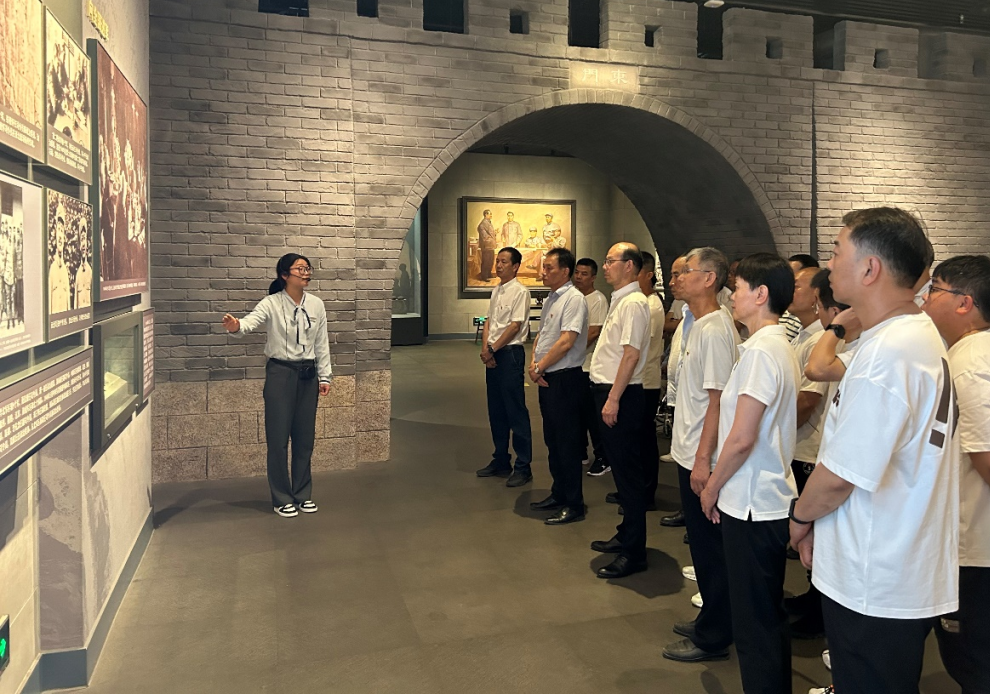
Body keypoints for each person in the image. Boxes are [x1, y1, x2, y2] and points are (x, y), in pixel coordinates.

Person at [789, 208, 959, 694]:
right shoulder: (910, 335)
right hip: (894, 560)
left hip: (875, 572)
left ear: (870, 268)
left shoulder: (889, 352)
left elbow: (840, 476)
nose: (829, 262)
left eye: (837, 250)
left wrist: (800, 519)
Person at [699, 253, 800, 694]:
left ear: (761, 295)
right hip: (761, 498)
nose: (731, 296)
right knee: (763, 614)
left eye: (737, 288)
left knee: (755, 621)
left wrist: (712, 487)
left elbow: (742, 438)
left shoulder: (762, 351)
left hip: (754, 502)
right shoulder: (769, 346)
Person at [663, 246, 740, 664]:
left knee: (711, 550)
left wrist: (702, 459)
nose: (675, 279)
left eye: (685, 272)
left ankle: (715, 635)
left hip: (700, 453)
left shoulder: (713, 328)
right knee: (703, 547)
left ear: (709, 278)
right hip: (688, 447)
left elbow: (718, 400)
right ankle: (711, 617)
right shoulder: (696, 323)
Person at [921, 255, 990, 694]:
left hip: (975, 546)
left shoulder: (971, 360)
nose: (925, 300)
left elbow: (985, 455)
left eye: (934, 290)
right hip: (971, 541)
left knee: (974, 663)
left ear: (965, 303)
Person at [222, 253, 333, 518]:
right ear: (284, 275)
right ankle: (282, 498)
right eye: (300, 269)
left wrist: (325, 376)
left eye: (307, 268)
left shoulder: (316, 304)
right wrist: (236, 326)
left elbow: (322, 342)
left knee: (305, 439)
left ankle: (302, 494)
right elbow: (249, 322)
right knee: (278, 439)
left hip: (308, 375)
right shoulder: (271, 303)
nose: (306, 273)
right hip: (280, 374)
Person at [588, 242, 652, 579]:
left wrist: (613, 398)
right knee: (621, 471)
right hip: (611, 391)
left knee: (628, 476)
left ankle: (634, 552)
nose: (606, 266)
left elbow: (631, 354)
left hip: (622, 395)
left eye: (611, 261)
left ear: (629, 265)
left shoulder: (635, 303)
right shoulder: (621, 300)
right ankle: (626, 533)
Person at [528, 248, 589, 524]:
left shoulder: (574, 299)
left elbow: (566, 341)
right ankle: (559, 492)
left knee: (567, 443)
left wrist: (540, 366)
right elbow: (543, 335)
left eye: (549, 267)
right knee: (553, 441)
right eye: (544, 267)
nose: (544, 272)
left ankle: (574, 503)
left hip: (565, 379)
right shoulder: (552, 298)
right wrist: (534, 363)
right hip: (548, 377)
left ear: (565, 271)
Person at [476, 248, 533, 487]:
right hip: (493, 353)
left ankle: (523, 466)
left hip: (509, 354)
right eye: (497, 261)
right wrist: (486, 348)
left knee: (515, 411)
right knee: (496, 410)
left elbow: (515, 326)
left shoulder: (520, 291)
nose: (498, 265)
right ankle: (500, 459)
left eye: (503, 262)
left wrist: (493, 349)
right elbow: (489, 321)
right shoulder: (496, 289)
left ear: (515, 266)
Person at [789, 266, 828, 495]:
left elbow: (808, 400)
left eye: (795, 287)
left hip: (806, 450)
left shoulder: (820, 338)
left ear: (816, 295)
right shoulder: (803, 335)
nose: (789, 291)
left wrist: (779, 433)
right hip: (795, 446)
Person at [572, 257, 609, 474]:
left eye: (584, 274)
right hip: (573, 366)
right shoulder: (573, 297)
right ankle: (581, 451)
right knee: (576, 413)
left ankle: (603, 456)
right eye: (577, 273)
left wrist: (571, 351)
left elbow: (594, 332)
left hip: (588, 365)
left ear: (593, 277)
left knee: (591, 415)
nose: (579, 277)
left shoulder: (598, 300)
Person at [638, 252, 664, 512]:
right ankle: (636, 489)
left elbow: (640, 347)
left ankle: (646, 493)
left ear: (647, 275)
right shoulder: (640, 302)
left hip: (646, 381)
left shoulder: (652, 306)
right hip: (639, 380)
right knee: (635, 440)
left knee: (644, 439)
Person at [49, 208, 71, 315]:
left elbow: (68, 306)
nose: (60, 237)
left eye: (62, 231)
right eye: (58, 230)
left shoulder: (65, 271)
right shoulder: (52, 269)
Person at [477, 210, 497, 281]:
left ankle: (489, 274)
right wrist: (492, 240)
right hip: (486, 246)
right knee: (486, 261)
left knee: (490, 261)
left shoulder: (488, 222)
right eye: (490, 214)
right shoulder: (483, 224)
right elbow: (485, 237)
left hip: (490, 246)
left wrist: (494, 233)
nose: (491, 215)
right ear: (485, 215)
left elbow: (490, 234)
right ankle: (484, 277)